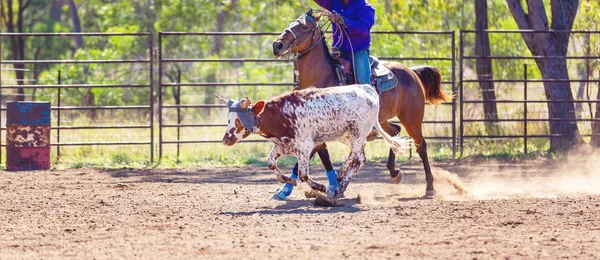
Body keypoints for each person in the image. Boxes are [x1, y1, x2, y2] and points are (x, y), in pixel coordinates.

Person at [270, 0, 376, 201]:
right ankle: (332, 181)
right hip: (337, 50)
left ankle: (370, 125)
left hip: (357, 52)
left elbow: (364, 28)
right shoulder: (334, 1)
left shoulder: (365, 7)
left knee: (364, 85)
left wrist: (343, 20)